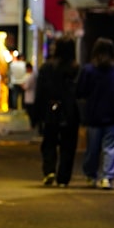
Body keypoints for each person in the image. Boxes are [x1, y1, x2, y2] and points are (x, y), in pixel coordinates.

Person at [77, 38, 114, 190]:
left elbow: (81, 91)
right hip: (113, 114)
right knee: (111, 148)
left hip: (93, 115)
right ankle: (107, 177)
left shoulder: (88, 70)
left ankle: (90, 175)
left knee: (92, 148)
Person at [35, 36, 80, 187]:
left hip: (50, 109)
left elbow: (40, 92)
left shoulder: (47, 68)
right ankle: (63, 178)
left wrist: (37, 114)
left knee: (49, 142)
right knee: (68, 145)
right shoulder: (76, 69)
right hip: (70, 111)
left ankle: (49, 170)